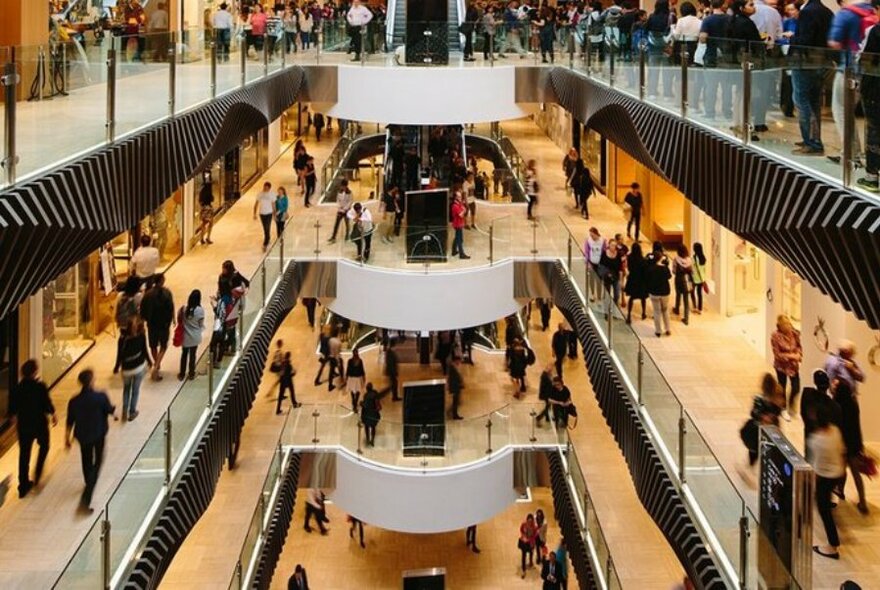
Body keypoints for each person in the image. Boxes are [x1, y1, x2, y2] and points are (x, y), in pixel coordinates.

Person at [827, 0, 876, 166]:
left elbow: (834, 42)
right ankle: (855, 154)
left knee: (841, 111)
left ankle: (851, 156)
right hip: (870, 72)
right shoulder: (872, 11)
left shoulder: (846, 13)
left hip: (848, 70)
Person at [66, 369, 116, 511]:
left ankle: (88, 480)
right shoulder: (100, 396)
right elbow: (108, 409)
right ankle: (87, 495)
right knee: (98, 461)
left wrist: (66, 438)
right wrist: (114, 412)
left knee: (86, 459)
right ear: (92, 380)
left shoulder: (74, 401)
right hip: (98, 433)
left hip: (82, 435)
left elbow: (70, 420)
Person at [789, 0, 833, 156]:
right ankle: (814, 138)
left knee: (801, 101)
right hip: (821, 62)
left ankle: (811, 142)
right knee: (814, 102)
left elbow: (805, 40)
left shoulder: (808, 12)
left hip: (806, 62)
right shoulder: (826, 11)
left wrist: (791, 38)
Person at [10, 360, 56, 498]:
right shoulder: (40, 387)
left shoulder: (16, 389)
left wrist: (14, 423)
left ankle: (23, 485)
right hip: (39, 424)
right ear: (35, 372)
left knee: (24, 454)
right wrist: (53, 414)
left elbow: (12, 410)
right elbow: (47, 403)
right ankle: (37, 472)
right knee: (44, 446)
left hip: (24, 425)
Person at [808, 403, 846, 559]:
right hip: (838, 473)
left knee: (824, 510)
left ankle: (833, 545)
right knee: (825, 501)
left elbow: (816, 468)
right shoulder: (836, 431)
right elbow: (842, 451)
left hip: (826, 477)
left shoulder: (816, 440)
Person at [834, 381, 868, 514]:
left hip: (842, 444)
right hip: (854, 443)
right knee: (856, 474)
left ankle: (840, 491)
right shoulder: (853, 404)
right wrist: (860, 445)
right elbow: (856, 426)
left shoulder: (836, 405)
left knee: (841, 470)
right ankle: (863, 502)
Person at [859, 13, 880, 192]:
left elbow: (867, 59)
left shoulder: (875, 31)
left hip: (875, 87)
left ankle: (872, 176)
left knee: (874, 129)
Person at [743, 373, 784, 465]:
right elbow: (780, 409)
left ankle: (755, 463)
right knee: (767, 446)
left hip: (764, 428)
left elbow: (753, 413)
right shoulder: (773, 397)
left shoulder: (762, 399)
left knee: (757, 447)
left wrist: (765, 417)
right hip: (770, 427)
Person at [140, 273, 174, 381]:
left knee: (153, 345)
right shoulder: (167, 293)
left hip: (152, 324)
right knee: (163, 345)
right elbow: (170, 307)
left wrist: (145, 319)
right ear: (162, 281)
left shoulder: (148, 294)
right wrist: (172, 319)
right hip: (163, 324)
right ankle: (156, 365)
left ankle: (156, 364)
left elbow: (143, 309)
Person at [770, 315, 802, 421]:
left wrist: (799, 354)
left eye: (788, 324)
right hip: (781, 366)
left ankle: (792, 407)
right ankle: (783, 409)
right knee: (782, 386)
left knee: (796, 387)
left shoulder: (794, 333)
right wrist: (792, 356)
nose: (787, 327)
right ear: (780, 326)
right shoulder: (775, 336)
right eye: (785, 325)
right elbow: (777, 354)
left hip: (793, 366)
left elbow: (799, 346)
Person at [120, 318, 150, 421]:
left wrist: (117, 367)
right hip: (138, 368)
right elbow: (144, 351)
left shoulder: (122, 339)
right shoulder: (141, 336)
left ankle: (124, 410)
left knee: (126, 389)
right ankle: (132, 411)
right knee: (135, 390)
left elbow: (119, 355)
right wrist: (150, 362)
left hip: (126, 369)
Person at [113, 277, 142, 373]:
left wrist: (117, 321)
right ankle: (145, 361)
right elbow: (140, 311)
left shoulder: (120, 295)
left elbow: (116, 309)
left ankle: (117, 364)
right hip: (134, 325)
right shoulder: (138, 296)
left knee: (121, 342)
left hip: (123, 325)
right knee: (141, 341)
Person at [178, 289, 204, 381]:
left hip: (185, 337)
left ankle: (181, 374)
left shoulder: (184, 309)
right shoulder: (200, 310)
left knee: (184, 355)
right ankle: (191, 374)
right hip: (195, 336)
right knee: (193, 355)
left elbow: (179, 319)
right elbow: (201, 324)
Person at [647, 243, 672, 337]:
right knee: (665, 310)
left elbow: (648, 278)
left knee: (656, 311)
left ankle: (658, 330)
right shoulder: (665, 269)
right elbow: (669, 277)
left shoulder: (651, 269)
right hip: (665, 292)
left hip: (654, 292)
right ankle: (668, 329)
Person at [624, 242, 648, 323]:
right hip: (641, 280)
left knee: (631, 298)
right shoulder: (643, 260)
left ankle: (629, 315)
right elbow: (645, 271)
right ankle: (643, 313)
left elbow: (628, 267)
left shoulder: (630, 258)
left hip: (632, 279)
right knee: (643, 298)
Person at [672, 244, 693, 325]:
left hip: (678, 279)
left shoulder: (676, 260)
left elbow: (673, 271)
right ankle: (686, 318)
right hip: (687, 280)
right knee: (686, 299)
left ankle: (677, 309)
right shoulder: (689, 260)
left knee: (678, 294)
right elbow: (692, 271)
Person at [253, 181, 276, 251]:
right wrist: (254, 213)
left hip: (269, 213)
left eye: (267, 188)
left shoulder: (272, 194)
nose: (265, 189)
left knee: (267, 227)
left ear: (269, 188)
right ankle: (268, 238)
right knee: (265, 227)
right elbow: (256, 204)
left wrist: (274, 213)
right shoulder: (260, 194)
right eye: (264, 187)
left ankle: (265, 242)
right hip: (262, 213)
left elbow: (273, 204)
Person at [584, 227, 605, 301]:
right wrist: (587, 263)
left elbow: (604, 252)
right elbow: (586, 252)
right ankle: (593, 294)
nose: (591, 237)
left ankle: (599, 296)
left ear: (596, 234)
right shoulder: (588, 241)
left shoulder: (602, 241)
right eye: (590, 235)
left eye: (592, 235)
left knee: (599, 281)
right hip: (591, 263)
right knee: (591, 280)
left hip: (599, 264)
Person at [451, 191, 471, 259]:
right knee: (460, 239)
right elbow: (461, 215)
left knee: (457, 238)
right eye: (459, 196)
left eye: (460, 196)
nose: (460, 198)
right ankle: (461, 254)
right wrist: (464, 211)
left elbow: (463, 209)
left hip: (460, 223)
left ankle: (453, 251)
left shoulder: (459, 203)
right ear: (456, 197)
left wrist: (464, 210)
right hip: (457, 224)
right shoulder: (455, 206)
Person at [518, 513, 539, 578]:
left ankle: (530, 562)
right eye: (528, 521)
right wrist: (523, 536)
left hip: (530, 543)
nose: (529, 522)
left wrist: (530, 539)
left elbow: (535, 535)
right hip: (524, 542)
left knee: (531, 552)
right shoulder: (524, 524)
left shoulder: (534, 527)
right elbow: (521, 529)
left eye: (531, 521)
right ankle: (524, 569)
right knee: (523, 555)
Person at [197, 180, 215, 244]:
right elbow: (212, 199)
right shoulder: (209, 192)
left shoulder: (201, 192)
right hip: (208, 209)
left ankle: (201, 238)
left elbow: (200, 201)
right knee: (211, 223)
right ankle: (208, 238)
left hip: (203, 208)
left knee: (204, 223)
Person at [691, 242, 707, 313]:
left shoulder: (694, 258)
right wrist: (703, 279)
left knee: (692, 292)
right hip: (701, 279)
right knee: (699, 293)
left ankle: (694, 306)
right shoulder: (703, 257)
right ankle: (700, 308)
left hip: (694, 277)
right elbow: (703, 269)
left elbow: (692, 267)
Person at [447, 356, 464, 420]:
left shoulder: (453, 367)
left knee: (456, 401)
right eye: (459, 361)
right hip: (455, 388)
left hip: (456, 387)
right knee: (455, 402)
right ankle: (455, 415)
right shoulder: (452, 368)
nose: (459, 362)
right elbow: (452, 379)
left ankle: (455, 414)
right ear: (456, 360)